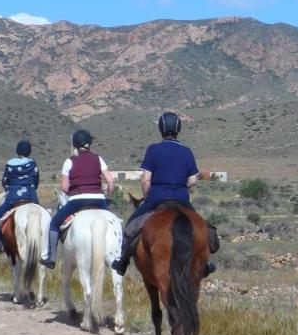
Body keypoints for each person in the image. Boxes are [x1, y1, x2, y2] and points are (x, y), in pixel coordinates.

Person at [112, 111, 213, 277]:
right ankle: (205, 262)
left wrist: (146, 197)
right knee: (203, 227)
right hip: (181, 198)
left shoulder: (153, 150)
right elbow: (193, 180)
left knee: (131, 226)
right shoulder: (187, 151)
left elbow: (145, 180)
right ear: (178, 129)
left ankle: (122, 261)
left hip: (156, 198)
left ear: (161, 129)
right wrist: (182, 186)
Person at [40, 130, 114, 268]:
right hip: (98, 199)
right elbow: (110, 181)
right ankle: (120, 256)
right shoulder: (98, 159)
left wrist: (73, 191)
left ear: (75, 144)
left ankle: (52, 258)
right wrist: (108, 198)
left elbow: (64, 187)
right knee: (117, 224)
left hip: (77, 200)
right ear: (89, 143)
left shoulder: (69, 161)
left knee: (54, 224)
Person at [0, 140, 40, 255]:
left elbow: (5, 181)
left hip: (12, 199)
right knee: (44, 216)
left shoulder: (10, 164)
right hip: (31, 197)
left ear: (18, 151)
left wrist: (10, 189)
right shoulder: (33, 163)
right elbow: (36, 182)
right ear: (29, 151)